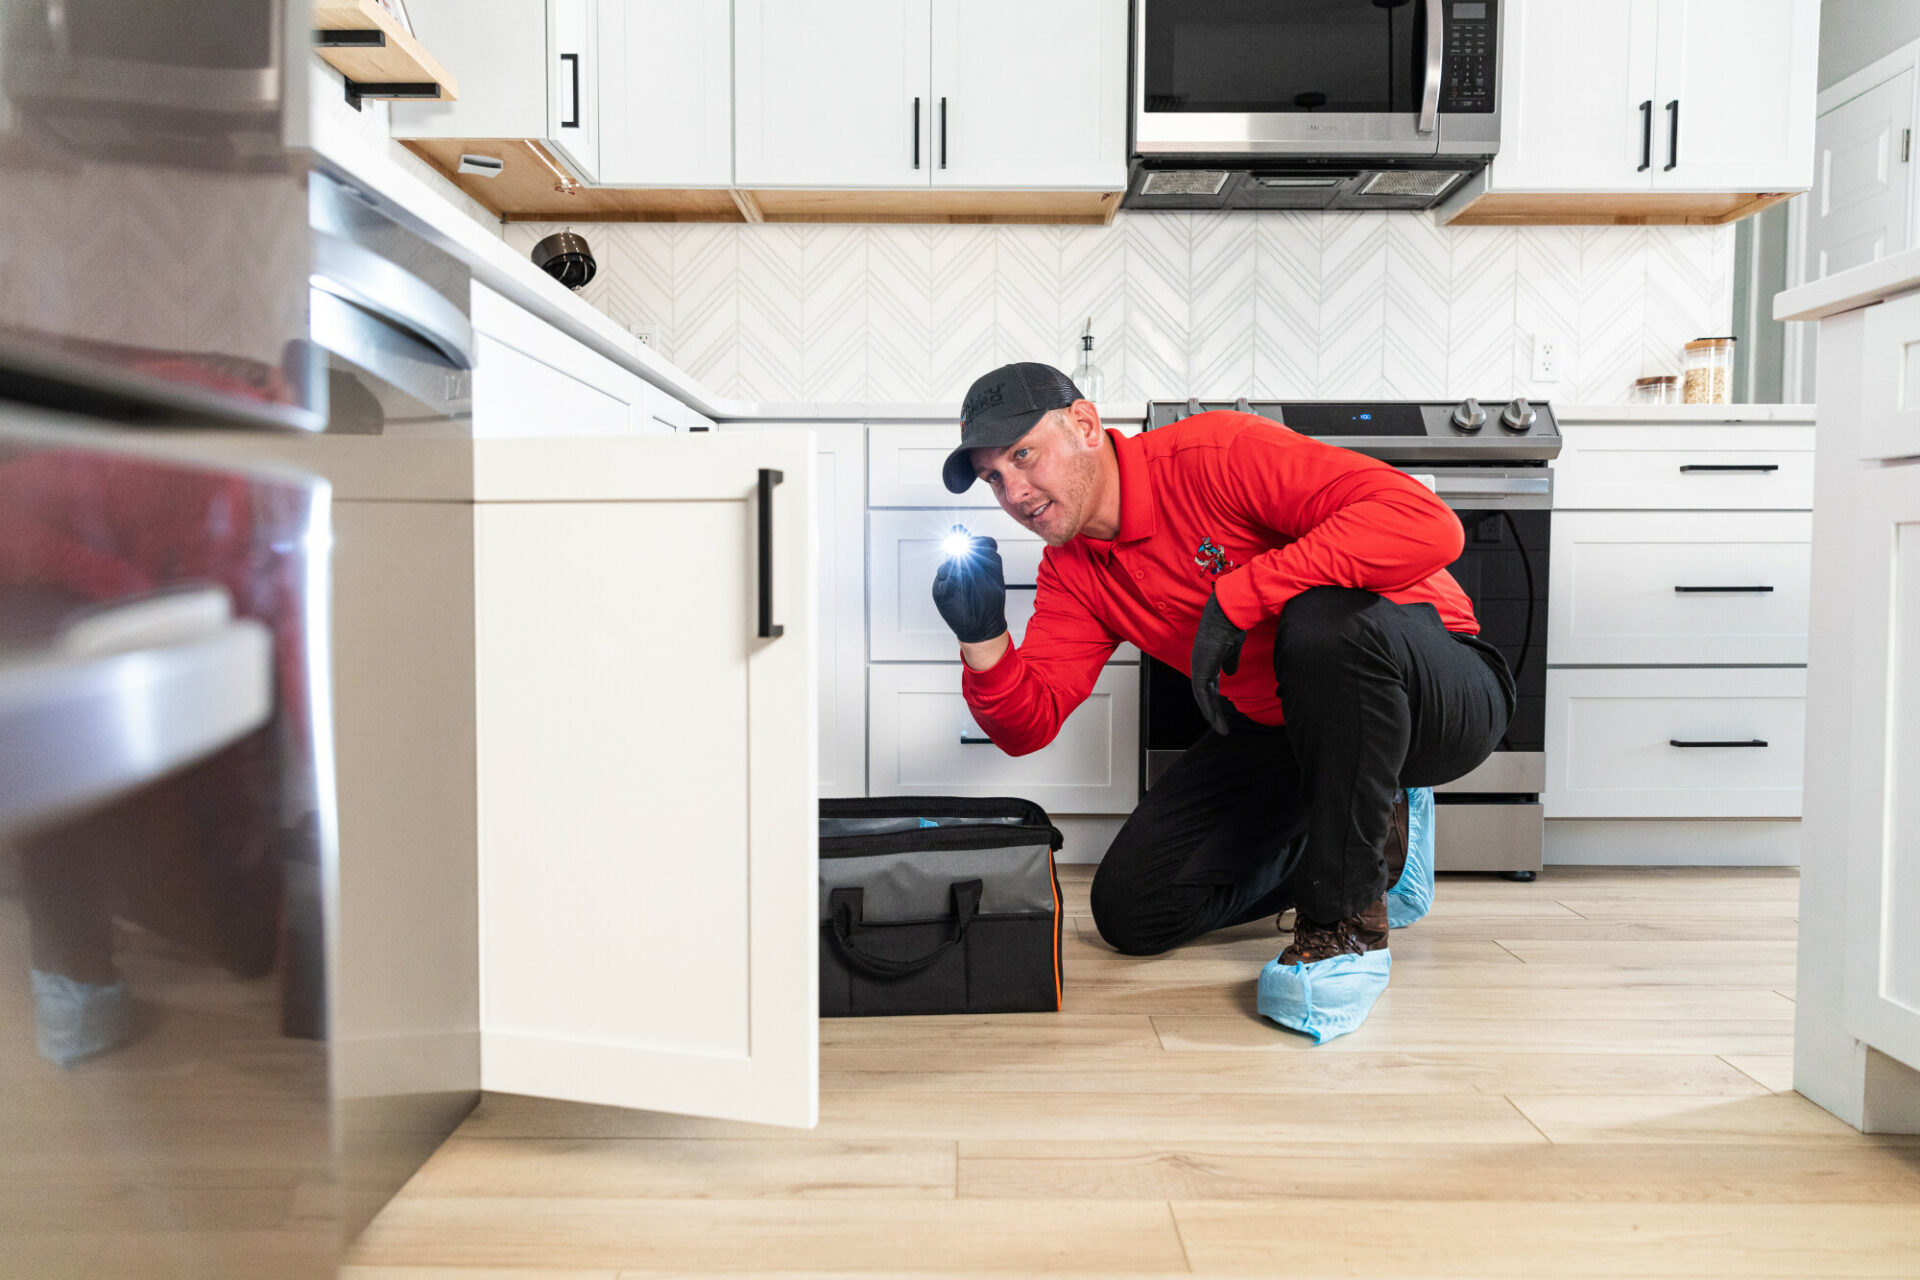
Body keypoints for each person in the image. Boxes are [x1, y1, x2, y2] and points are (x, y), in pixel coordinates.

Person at [930, 363, 1513, 1041]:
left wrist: (1244, 594)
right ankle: (1381, 856)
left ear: (1085, 425)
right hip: (1286, 727)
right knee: (1133, 912)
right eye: (993, 477)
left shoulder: (1217, 453)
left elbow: (1427, 524)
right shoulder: (1074, 571)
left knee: (1320, 622)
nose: (1014, 492)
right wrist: (982, 638)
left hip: (1430, 688)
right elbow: (1029, 725)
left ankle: (1344, 926)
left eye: (1023, 456)